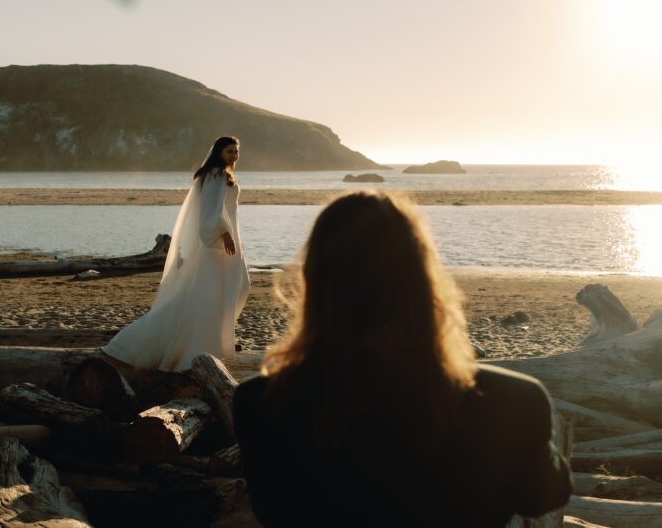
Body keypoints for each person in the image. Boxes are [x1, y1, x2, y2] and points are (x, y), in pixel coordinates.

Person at [233, 191, 572, 527]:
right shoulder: (513, 400)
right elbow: (543, 496)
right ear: (425, 282)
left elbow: (273, 511)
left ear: (315, 282)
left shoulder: (260, 404)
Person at [102, 136, 250, 372]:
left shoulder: (214, 175)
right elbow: (210, 214)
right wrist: (225, 235)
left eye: (236, 152)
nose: (234, 156)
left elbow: (223, 211)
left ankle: (212, 345)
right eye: (230, 151)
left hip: (224, 242)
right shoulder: (217, 175)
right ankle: (201, 349)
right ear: (219, 153)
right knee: (214, 293)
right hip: (217, 245)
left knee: (225, 290)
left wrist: (234, 237)